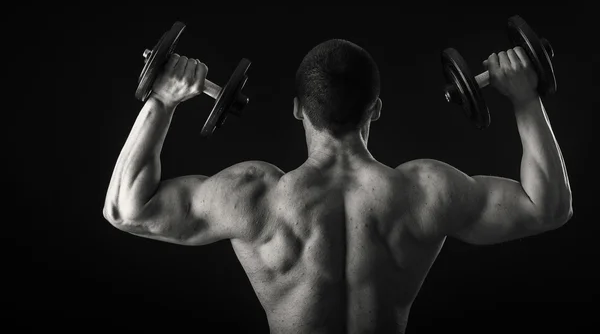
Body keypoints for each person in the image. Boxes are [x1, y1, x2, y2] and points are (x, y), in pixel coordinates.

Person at [104, 39, 572, 333]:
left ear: (296, 109)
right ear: (377, 109)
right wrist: (525, 98)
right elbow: (548, 207)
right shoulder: (424, 190)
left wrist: (163, 99)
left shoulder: (255, 195)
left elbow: (126, 210)